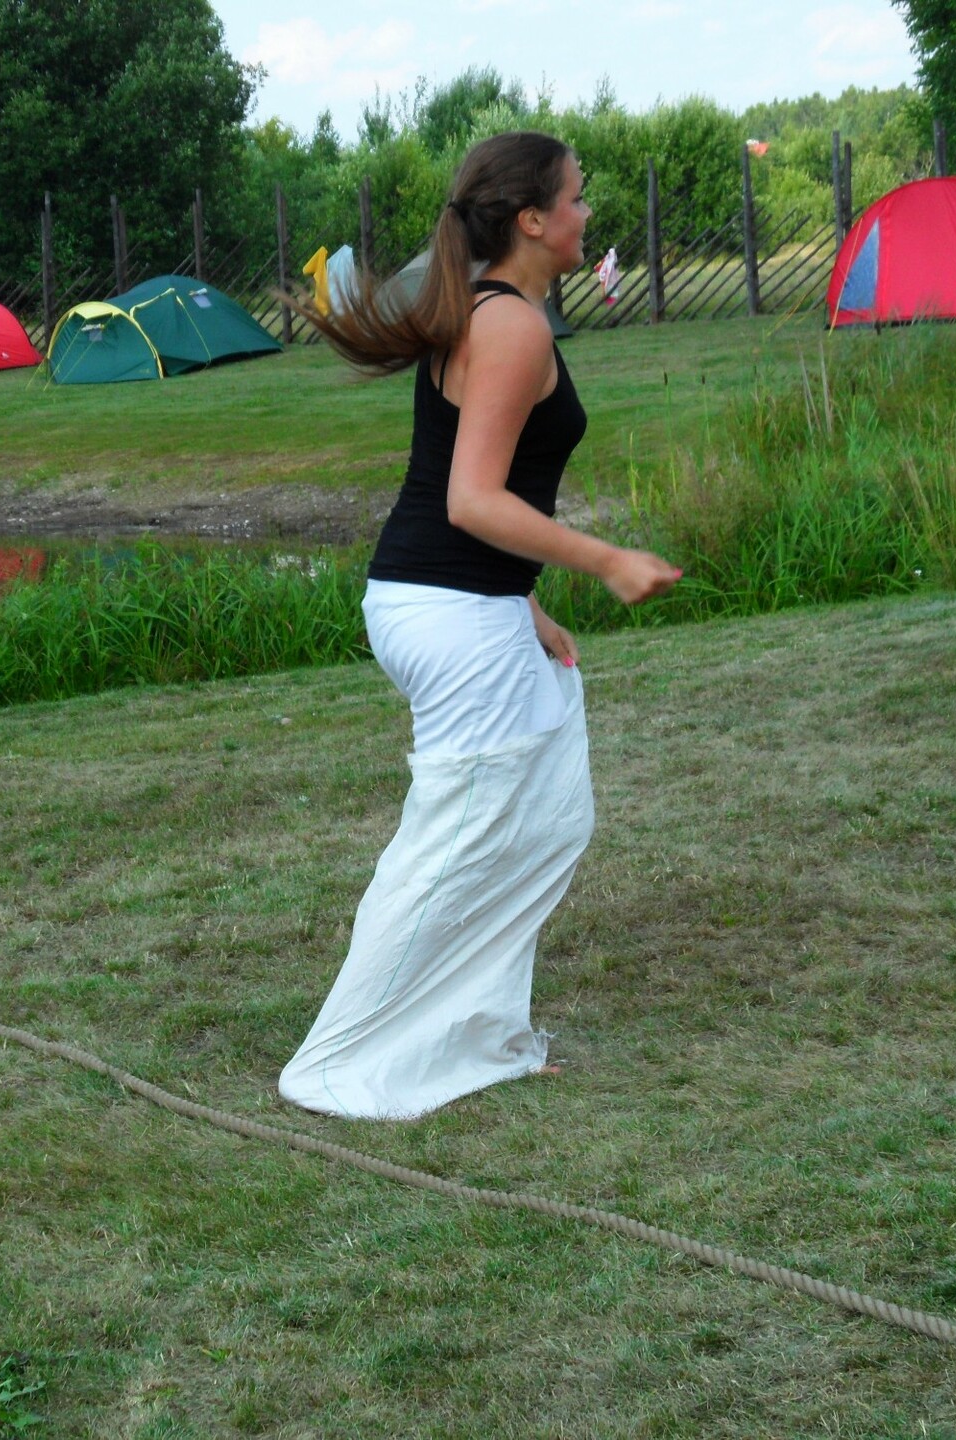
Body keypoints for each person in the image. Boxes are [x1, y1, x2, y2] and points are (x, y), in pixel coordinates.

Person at [277, 131, 680, 1120]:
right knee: (457, 838)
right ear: (533, 220)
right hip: (445, 608)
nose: (588, 214)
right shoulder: (510, 327)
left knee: (546, 818)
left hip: (459, 602)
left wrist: (522, 602)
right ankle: (337, 1065)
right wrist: (606, 559)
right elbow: (469, 498)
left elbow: (462, 485)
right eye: (576, 198)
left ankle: (479, 1037)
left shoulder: (496, 312)